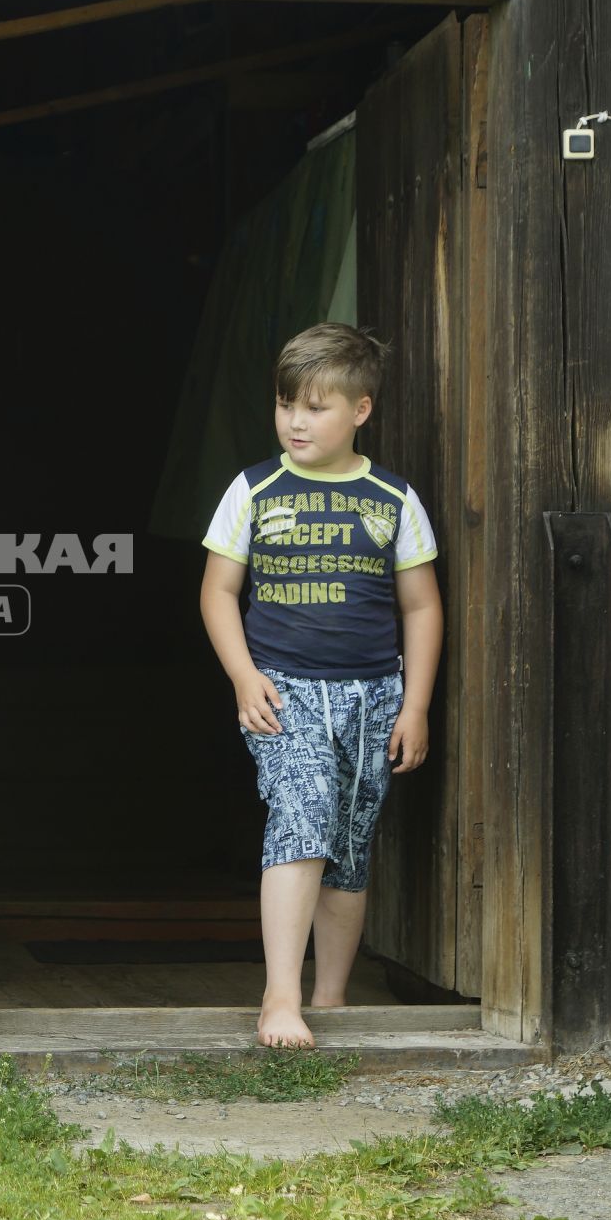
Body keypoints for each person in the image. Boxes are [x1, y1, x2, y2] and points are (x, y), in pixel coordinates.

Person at [198, 323, 443, 1049]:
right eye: (285, 405)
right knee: (300, 825)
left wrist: (418, 704)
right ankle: (280, 998)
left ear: (361, 410)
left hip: (375, 696)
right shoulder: (254, 490)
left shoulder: (391, 498)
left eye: (315, 407)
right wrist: (244, 677)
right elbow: (217, 593)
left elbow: (422, 605)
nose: (296, 422)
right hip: (283, 690)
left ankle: (332, 998)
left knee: (348, 846)